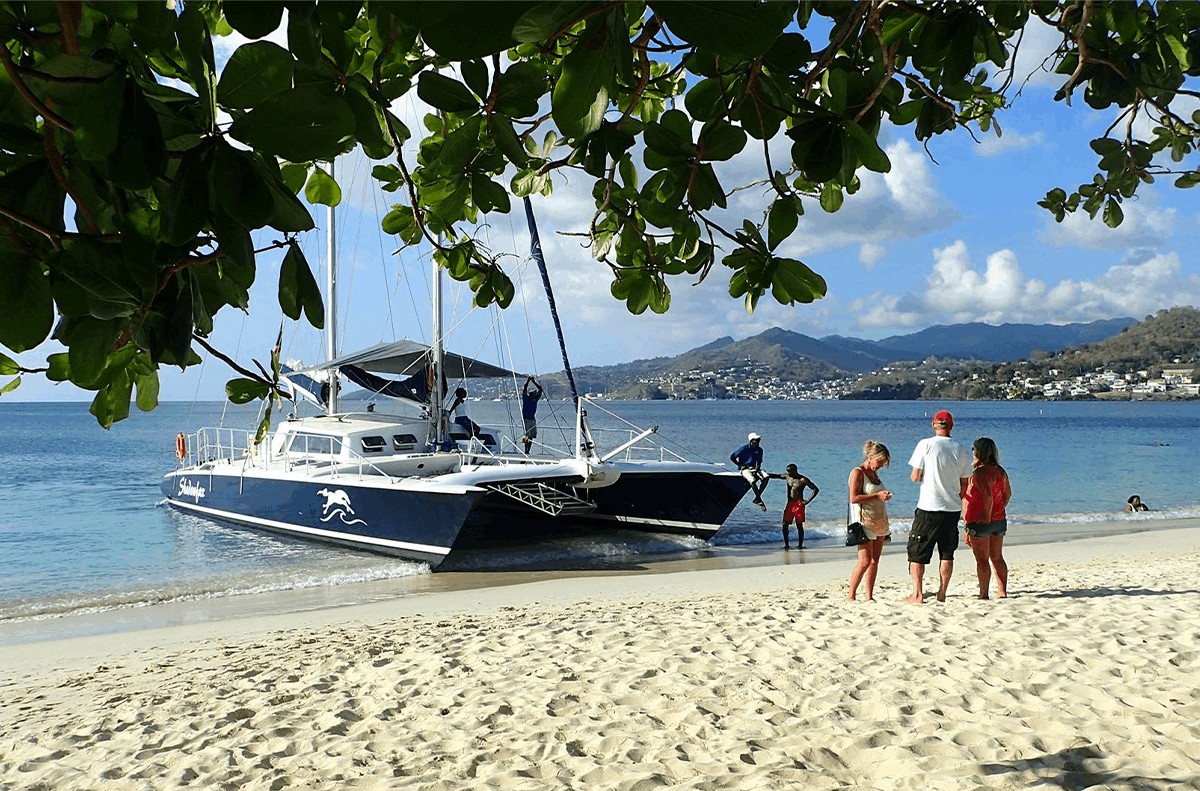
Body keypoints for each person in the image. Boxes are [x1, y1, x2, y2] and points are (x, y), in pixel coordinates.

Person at [906, 410, 973, 603]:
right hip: (951, 508)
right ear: (951, 426)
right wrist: (957, 496)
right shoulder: (961, 449)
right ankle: (942, 592)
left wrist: (926, 475)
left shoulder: (925, 444)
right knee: (947, 552)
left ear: (934, 425)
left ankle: (917, 594)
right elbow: (965, 483)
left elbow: (915, 476)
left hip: (929, 506)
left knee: (917, 552)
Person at [963, 437, 1012, 599]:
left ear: (978, 452)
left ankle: (983, 594)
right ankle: (1002, 591)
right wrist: (999, 509)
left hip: (981, 521)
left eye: (973, 449)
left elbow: (987, 496)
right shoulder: (1000, 471)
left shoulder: (979, 472)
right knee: (997, 557)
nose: (972, 452)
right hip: (999, 520)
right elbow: (1007, 494)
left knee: (982, 560)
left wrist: (985, 516)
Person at [848, 441, 893, 601]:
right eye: (879, 462)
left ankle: (869, 596)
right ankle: (851, 595)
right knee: (865, 561)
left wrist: (883, 496)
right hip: (864, 522)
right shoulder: (858, 473)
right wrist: (877, 496)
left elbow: (875, 495)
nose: (880, 466)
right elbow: (854, 498)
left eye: (883, 463)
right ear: (870, 456)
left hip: (880, 521)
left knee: (874, 561)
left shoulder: (875, 474)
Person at [769, 464, 819, 549]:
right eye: (787, 471)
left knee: (799, 525)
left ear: (795, 471)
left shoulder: (803, 480)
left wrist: (807, 501)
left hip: (799, 504)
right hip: (789, 503)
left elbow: (815, 489)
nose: (788, 473)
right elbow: (777, 476)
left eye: (790, 472)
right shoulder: (787, 476)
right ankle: (786, 545)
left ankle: (800, 545)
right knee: (785, 524)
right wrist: (765, 474)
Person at [730, 433, 769, 511]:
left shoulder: (759, 450)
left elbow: (759, 462)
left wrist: (757, 470)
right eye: (756, 440)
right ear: (751, 441)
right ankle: (759, 499)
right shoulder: (743, 448)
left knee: (766, 477)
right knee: (752, 481)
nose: (758, 442)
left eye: (759, 440)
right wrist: (740, 465)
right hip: (745, 469)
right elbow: (732, 457)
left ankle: (757, 498)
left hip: (754, 468)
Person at [520, 375, 543, 453]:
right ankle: (525, 450)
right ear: (531, 393)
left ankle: (528, 450)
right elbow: (525, 388)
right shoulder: (526, 398)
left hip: (532, 419)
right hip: (526, 419)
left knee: (531, 436)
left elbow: (540, 389)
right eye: (534, 393)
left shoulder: (535, 399)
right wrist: (528, 381)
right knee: (527, 435)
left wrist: (533, 382)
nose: (536, 394)